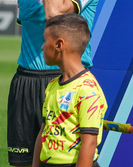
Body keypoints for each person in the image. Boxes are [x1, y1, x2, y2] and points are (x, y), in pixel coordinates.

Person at [7, 0, 102, 167]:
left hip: (67, 83)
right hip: (25, 83)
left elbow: (56, 18)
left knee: (66, 162)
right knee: (23, 163)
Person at [32, 13, 107, 167]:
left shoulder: (87, 90)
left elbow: (89, 143)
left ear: (59, 45)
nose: (42, 46)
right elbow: (44, 130)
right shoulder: (52, 85)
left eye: (45, 40)